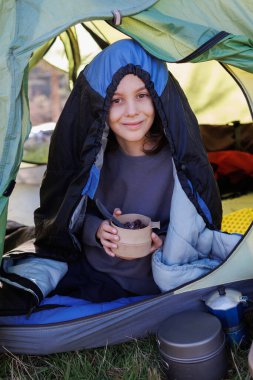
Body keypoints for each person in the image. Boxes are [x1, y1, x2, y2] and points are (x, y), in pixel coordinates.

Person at [0, 39, 223, 313]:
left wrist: (163, 241)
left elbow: (190, 222)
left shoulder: (176, 161)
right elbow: (72, 215)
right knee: (25, 277)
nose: (131, 111)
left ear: (159, 98)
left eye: (142, 95)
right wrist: (97, 231)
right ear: (100, 105)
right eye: (116, 100)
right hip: (97, 270)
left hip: (152, 276)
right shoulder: (94, 159)